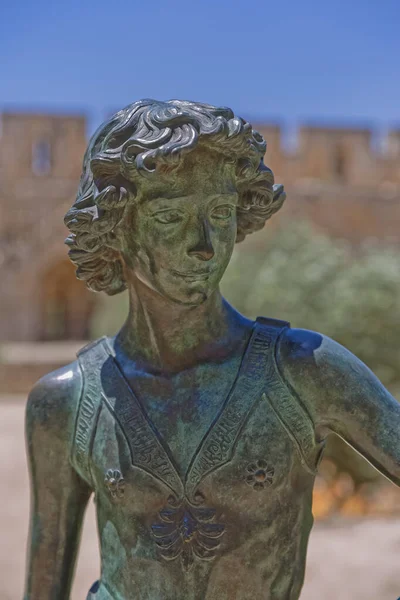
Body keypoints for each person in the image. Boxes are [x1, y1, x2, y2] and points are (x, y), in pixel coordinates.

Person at [24, 99, 400, 600]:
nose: (204, 244)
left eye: (220, 213)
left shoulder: (305, 372)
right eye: (169, 215)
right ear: (116, 227)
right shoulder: (66, 405)